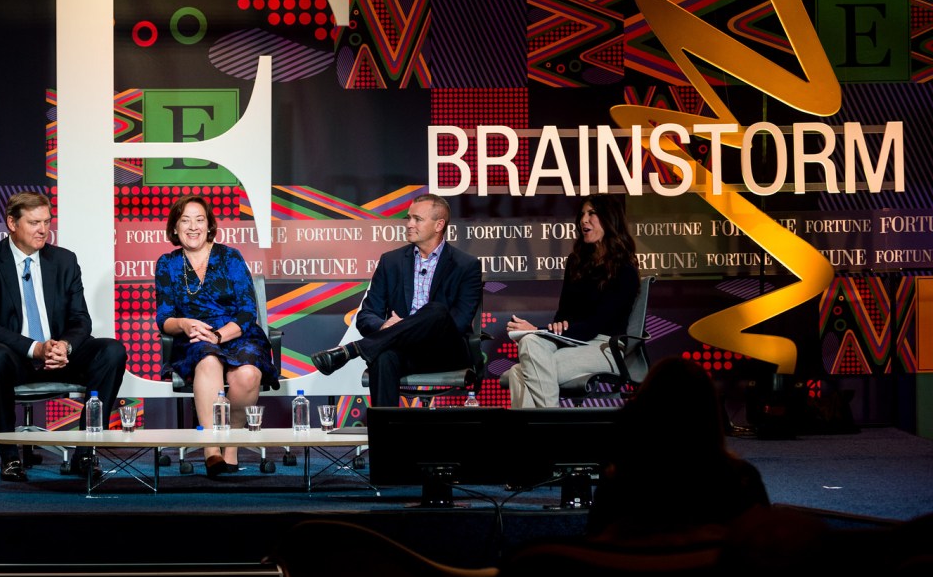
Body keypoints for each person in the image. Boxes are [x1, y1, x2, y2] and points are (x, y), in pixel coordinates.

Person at [0, 191, 128, 483]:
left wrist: (63, 346)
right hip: (14, 356)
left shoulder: (63, 260)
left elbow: (81, 320)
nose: (43, 229)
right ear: (12, 224)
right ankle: (10, 456)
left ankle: (85, 452)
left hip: (58, 354)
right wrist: (35, 348)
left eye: (47, 222)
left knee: (112, 351)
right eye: (34, 222)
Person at [310, 193, 483, 408]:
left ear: (439, 225)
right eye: (408, 218)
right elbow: (366, 316)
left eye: (417, 219)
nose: (409, 224)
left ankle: (354, 350)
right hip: (403, 350)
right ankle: (385, 437)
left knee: (437, 311)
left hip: (445, 351)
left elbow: (459, 323)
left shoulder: (466, 265)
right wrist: (384, 325)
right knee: (382, 358)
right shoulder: (390, 262)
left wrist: (403, 327)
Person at [155, 194, 276, 478]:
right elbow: (165, 319)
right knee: (208, 360)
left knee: (246, 375)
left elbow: (247, 313)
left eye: (200, 220)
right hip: (194, 337)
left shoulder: (230, 256)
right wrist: (184, 324)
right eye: (185, 220)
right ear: (174, 228)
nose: (193, 227)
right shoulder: (167, 264)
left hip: (237, 333)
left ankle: (231, 446)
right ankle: (211, 450)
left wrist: (219, 336)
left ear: (210, 226)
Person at [588, 356, 770, 539]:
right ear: (711, 413)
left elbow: (596, 544)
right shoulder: (741, 480)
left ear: (644, 409)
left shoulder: (619, 484)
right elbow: (762, 549)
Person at [505, 195, 640, 409]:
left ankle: (551, 426)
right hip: (573, 342)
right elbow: (563, 315)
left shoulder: (625, 270)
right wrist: (554, 328)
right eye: (582, 215)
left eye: (591, 214)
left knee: (518, 373)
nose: (583, 220)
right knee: (530, 342)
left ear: (609, 219)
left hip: (605, 346)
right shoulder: (576, 263)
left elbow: (596, 325)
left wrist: (537, 329)